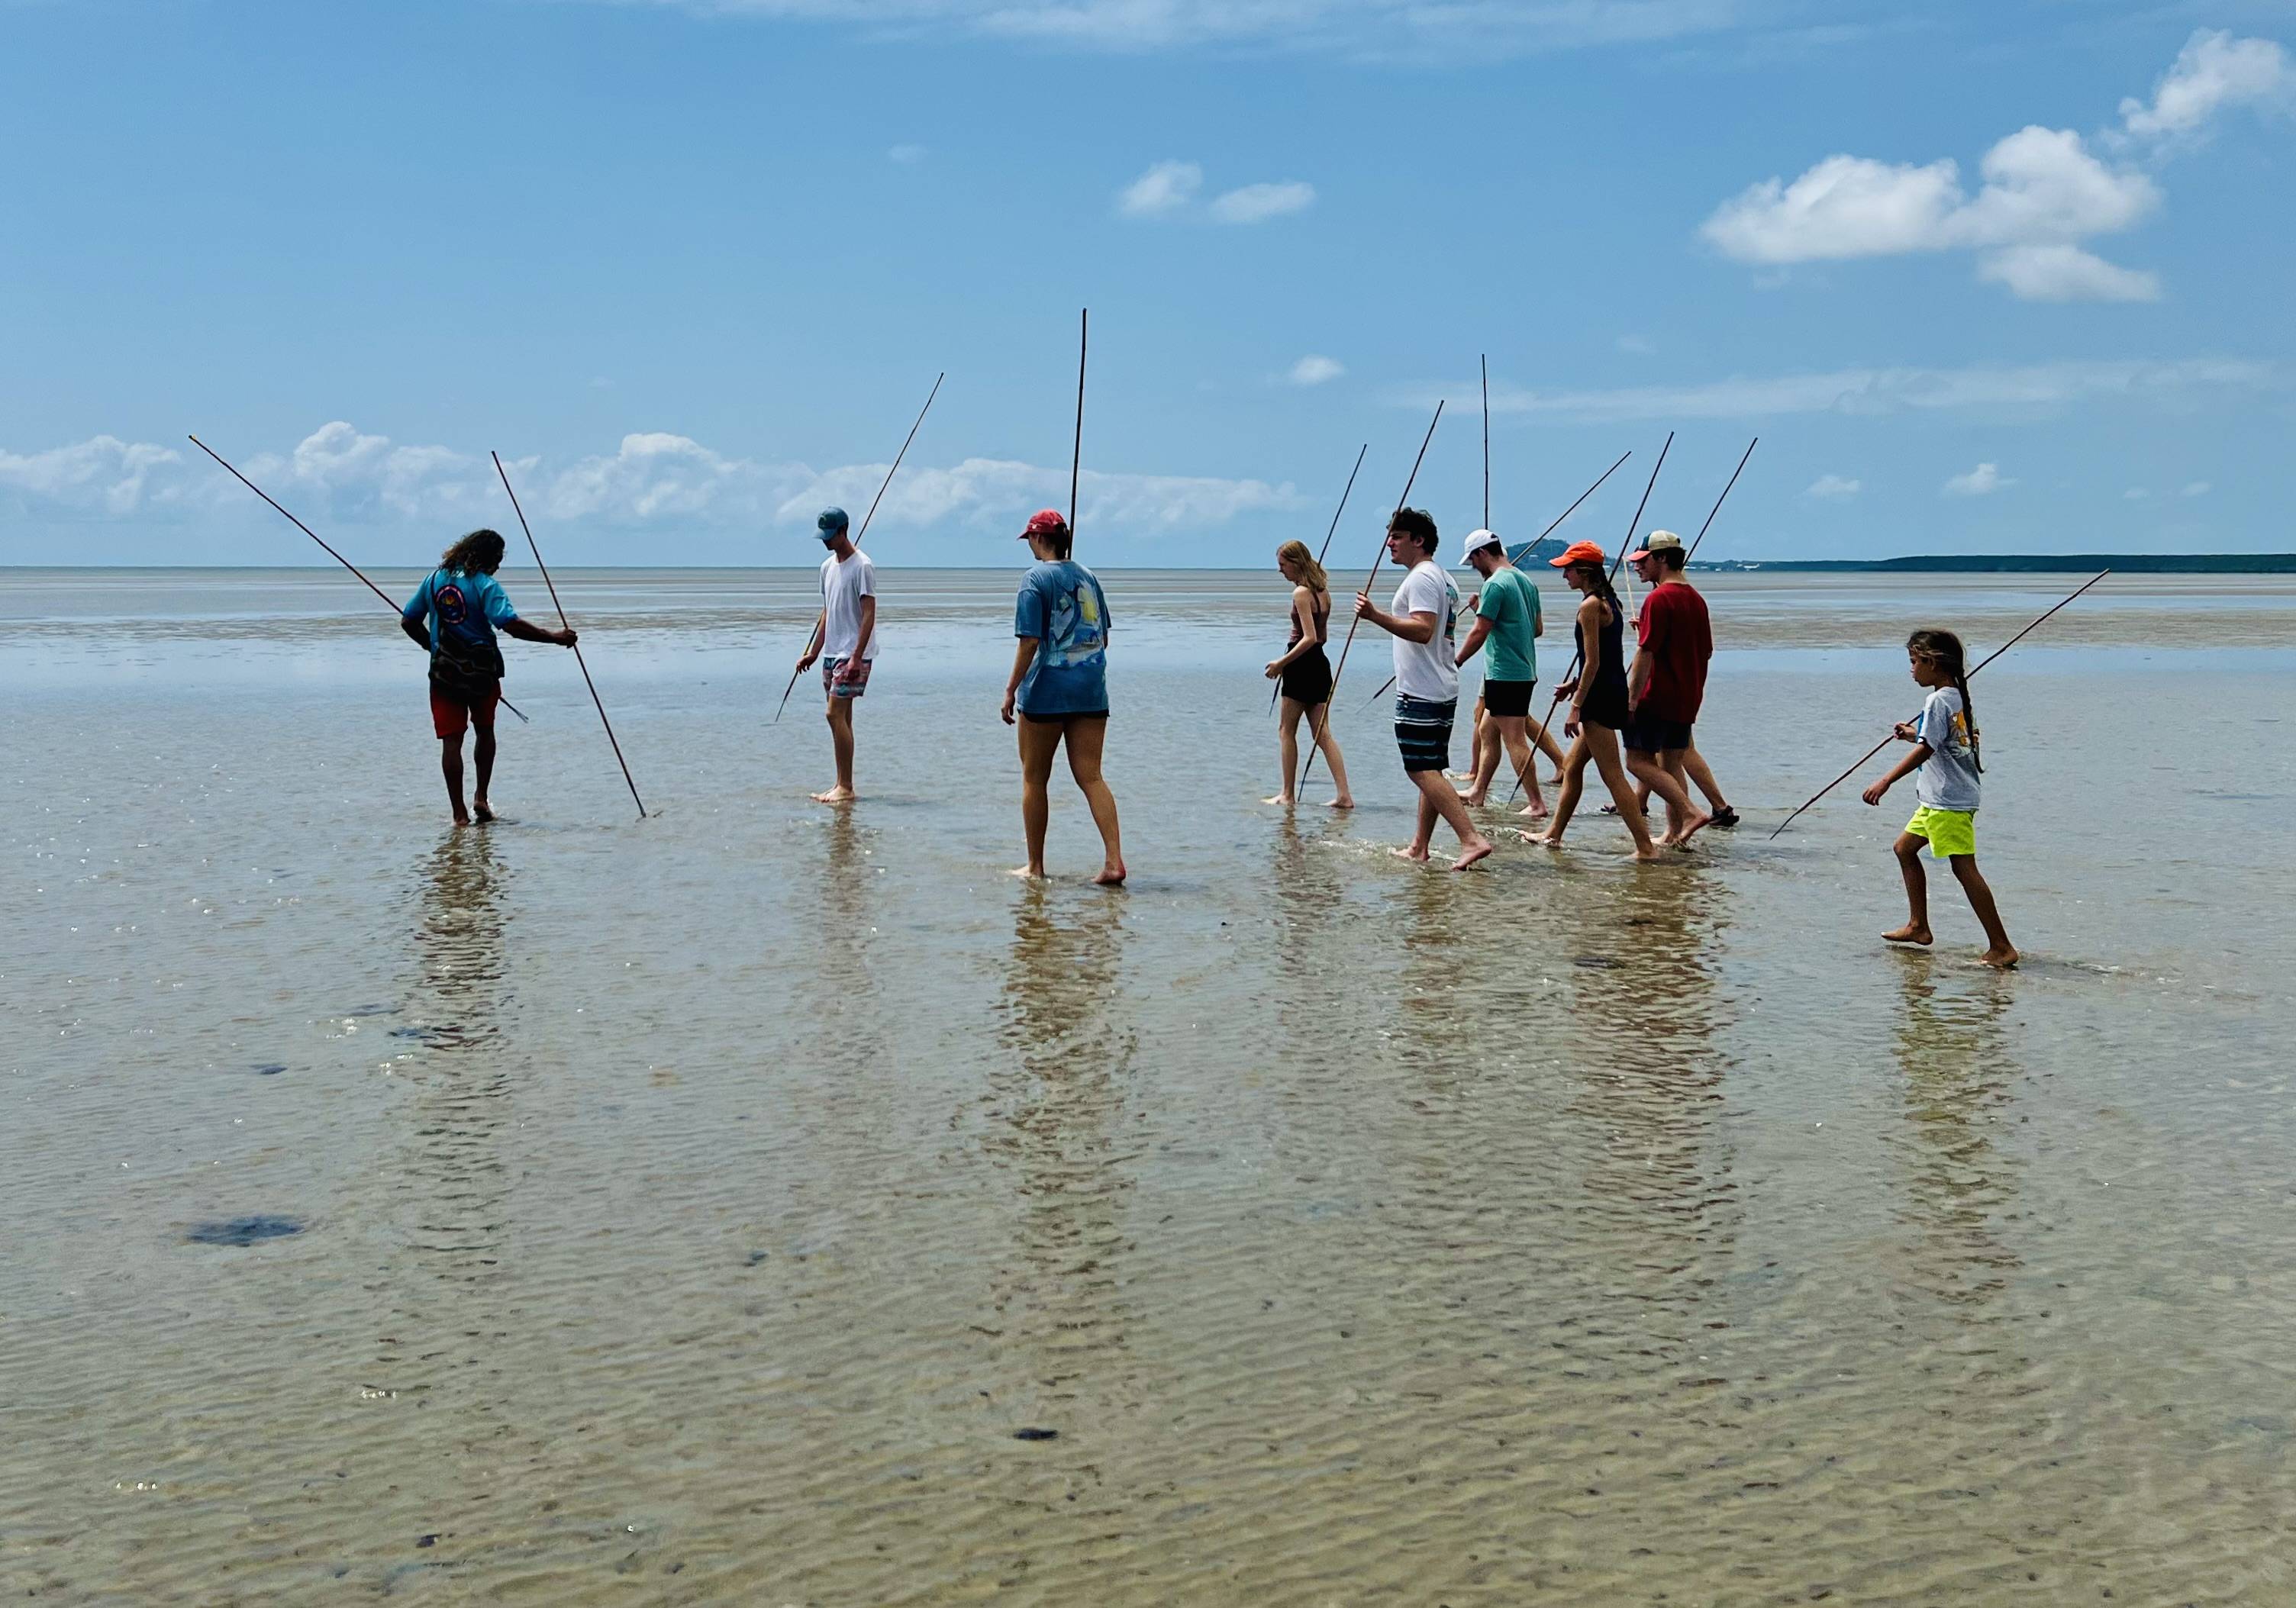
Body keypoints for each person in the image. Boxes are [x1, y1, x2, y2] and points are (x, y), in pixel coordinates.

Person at [399, 528, 576, 827]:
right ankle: (481, 796)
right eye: (496, 560)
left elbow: (409, 621)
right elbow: (511, 625)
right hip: (482, 674)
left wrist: (432, 646)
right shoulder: (485, 586)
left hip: (444, 674)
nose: (497, 567)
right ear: (486, 558)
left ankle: (459, 816)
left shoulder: (433, 581)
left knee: (451, 742)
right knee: (484, 730)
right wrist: (556, 638)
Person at [1862, 629, 2017, 968]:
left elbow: (1928, 749)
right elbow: (1943, 743)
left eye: (1915, 662)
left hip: (1948, 801)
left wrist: (1885, 780)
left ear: (1932, 663)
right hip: (1941, 800)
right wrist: (1911, 735)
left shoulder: (1937, 701)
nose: (1912, 669)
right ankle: (1918, 926)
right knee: (1904, 848)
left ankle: (2001, 946)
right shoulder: (1956, 696)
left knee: (1964, 869)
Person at [1352, 508, 1494, 870]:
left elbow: (1423, 629)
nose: (1389, 543)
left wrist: (1376, 616)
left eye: (1397, 537)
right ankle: (1420, 846)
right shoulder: (1444, 578)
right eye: (1390, 536)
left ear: (1419, 540)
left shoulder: (1422, 579)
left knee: (1420, 771)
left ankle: (1471, 839)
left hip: (1423, 690)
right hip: (1442, 685)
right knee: (1431, 769)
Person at [1001, 509, 1125, 885]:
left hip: (1046, 691)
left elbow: (1030, 642)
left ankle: (1035, 867)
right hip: (1091, 687)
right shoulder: (1088, 576)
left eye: (1031, 540)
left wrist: (1009, 689)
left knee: (1034, 778)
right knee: (1091, 776)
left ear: (1040, 540)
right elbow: (1103, 636)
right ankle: (1114, 860)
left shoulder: (1034, 579)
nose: (1030, 548)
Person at [1527, 542, 1663, 861]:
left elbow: (1593, 662)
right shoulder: (1609, 602)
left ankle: (1645, 849)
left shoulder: (1590, 606)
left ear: (1584, 572)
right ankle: (1553, 835)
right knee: (1572, 767)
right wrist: (1574, 686)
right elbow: (1607, 661)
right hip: (1610, 691)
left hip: (1599, 701)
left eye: (1568, 570)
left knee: (1613, 776)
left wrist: (1576, 705)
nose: (1564, 576)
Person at [1450, 528, 1557, 815]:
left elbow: (1479, 632)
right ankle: (1478, 791)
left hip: (1505, 673)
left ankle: (1536, 804)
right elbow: (1536, 629)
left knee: (1515, 740)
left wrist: (1455, 661)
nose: (1473, 567)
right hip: (1524, 669)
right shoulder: (1526, 581)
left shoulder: (1495, 585)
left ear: (1482, 553)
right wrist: (1485, 612)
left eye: (1473, 560)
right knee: (1487, 728)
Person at [1619, 530, 1714, 847]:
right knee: (1671, 766)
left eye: (1643, 561)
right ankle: (1675, 835)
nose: (1637, 567)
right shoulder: (1696, 599)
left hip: (1657, 697)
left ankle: (1691, 813)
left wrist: (1631, 702)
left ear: (1661, 558)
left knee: (1636, 762)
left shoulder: (1658, 599)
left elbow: (1645, 653)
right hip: (1687, 698)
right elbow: (1704, 651)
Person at [792, 506, 878, 804]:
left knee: (833, 715)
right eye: (823, 537)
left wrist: (856, 657)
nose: (826, 541)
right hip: (831, 652)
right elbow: (828, 612)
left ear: (844, 530)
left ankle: (847, 786)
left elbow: (869, 614)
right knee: (844, 719)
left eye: (830, 536)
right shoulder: (827, 567)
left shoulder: (863, 566)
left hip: (853, 653)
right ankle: (842, 784)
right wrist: (814, 653)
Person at [1262, 539, 1355, 808]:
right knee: (1322, 733)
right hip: (1319, 664)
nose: (1280, 571)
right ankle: (1344, 794)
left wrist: (1282, 663)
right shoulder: (1323, 592)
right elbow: (1323, 637)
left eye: (1282, 565)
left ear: (1295, 563)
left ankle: (1287, 794)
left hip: (1301, 664)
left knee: (1286, 730)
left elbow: (1310, 637)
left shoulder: (1301, 593)